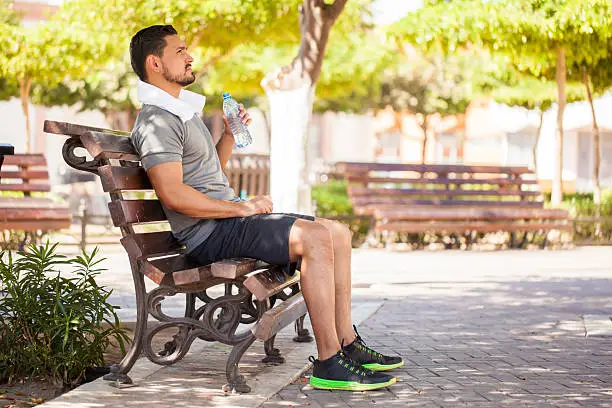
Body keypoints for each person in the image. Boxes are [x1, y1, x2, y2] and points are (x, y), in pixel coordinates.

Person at [128, 24, 403, 391]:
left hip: (221, 223)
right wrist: (241, 209)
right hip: (208, 233)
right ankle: (328, 362)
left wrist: (227, 135)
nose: (190, 56)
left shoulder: (179, 112)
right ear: (155, 63)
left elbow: (207, 176)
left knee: (337, 233)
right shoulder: (157, 119)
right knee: (315, 238)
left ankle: (346, 345)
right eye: (180, 51)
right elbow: (174, 195)